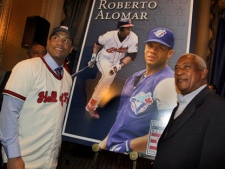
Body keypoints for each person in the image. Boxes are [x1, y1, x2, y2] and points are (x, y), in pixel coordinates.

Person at [0, 25, 74, 169]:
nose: (60, 42)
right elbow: (8, 114)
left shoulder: (67, 78)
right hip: (23, 160)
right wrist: (13, 156)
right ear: (48, 42)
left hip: (49, 161)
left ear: (71, 49)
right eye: (56, 37)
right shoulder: (27, 67)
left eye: (66, 40)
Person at [98, 28, 178, 156]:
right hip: (115, 151)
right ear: (145, 47)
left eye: (160, 47)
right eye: (150, 45)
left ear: (169, 53)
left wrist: (127, 146)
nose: (153, 50)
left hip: (138, 157)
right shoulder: (135, 76)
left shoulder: (167, 83)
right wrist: (104, 144)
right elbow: (122, 121)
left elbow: (166, 131)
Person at [153, 53, 225, 169]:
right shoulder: (180, 105)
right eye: (176, 68)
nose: (179, 72)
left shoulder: (218, 107)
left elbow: (213, 162)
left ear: (203, 73)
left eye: (186, 67)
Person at [85, 18, 138, 119]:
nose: (129, 30)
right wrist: (93, 56)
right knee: (108, 76)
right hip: (104, 58)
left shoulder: (133, 37)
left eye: (130, 27)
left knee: (107, 84)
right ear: (121, 28)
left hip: (117, 62)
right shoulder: (109, 35)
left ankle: (92, 105)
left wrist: (120, 65)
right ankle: (91, 105)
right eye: (127, 28)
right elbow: (97, 43)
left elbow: (132, 55)